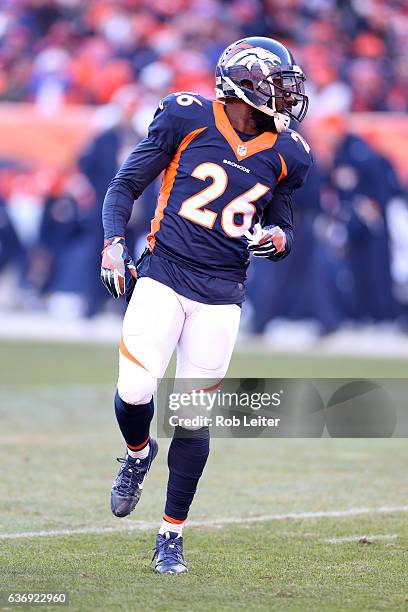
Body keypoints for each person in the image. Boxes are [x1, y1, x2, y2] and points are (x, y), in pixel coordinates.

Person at [100, 36, 312, 574]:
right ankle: (137, 453)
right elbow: (124, 184)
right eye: (276, 83)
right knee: (136, 388)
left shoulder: (290, 153)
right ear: (245, 83)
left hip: (222, 291)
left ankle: (171, 534)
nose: (286, 96)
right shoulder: (185, 116)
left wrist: (280, 240)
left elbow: (284, 224)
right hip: (165, 270)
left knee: (192, 418)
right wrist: (112, 244)